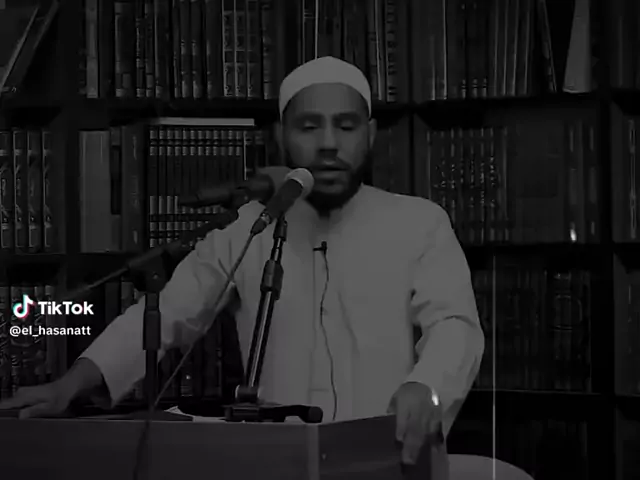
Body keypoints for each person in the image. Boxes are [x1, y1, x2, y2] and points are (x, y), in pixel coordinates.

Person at [0, 56, 484, 467]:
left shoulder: (419, 222)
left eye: (346, 126)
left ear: (371, 134)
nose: (329, 143)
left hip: (386, 456)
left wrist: (426, 387)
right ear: (281, 136)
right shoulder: (249, 225)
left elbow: (454, 325)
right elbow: (167, 313)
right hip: (277, 462)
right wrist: (71, 384)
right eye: (309, 126)